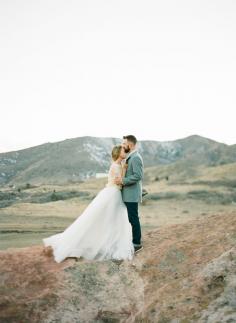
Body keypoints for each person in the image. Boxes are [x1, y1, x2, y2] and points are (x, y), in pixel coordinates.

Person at [42, 145, 134, 263]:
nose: (125, 152)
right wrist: (125, 170)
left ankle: (109, 242)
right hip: (113, 194)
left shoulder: (118, 165)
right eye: (122, 150)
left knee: (114, 219)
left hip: (114, 193)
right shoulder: (116, 166)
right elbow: (118, 181)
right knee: (108, 218)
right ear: (118, 153)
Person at [115, 135, 144, 253]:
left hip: (131, 195)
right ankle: (130, 240)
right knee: (130, 218)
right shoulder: (130, 157)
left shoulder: (136, 158)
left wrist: (122, 181)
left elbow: (138, 176)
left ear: (130, 145)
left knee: (133, 218)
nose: (122, 146)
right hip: (127, 194)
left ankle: (137, 244)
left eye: (124, 144)